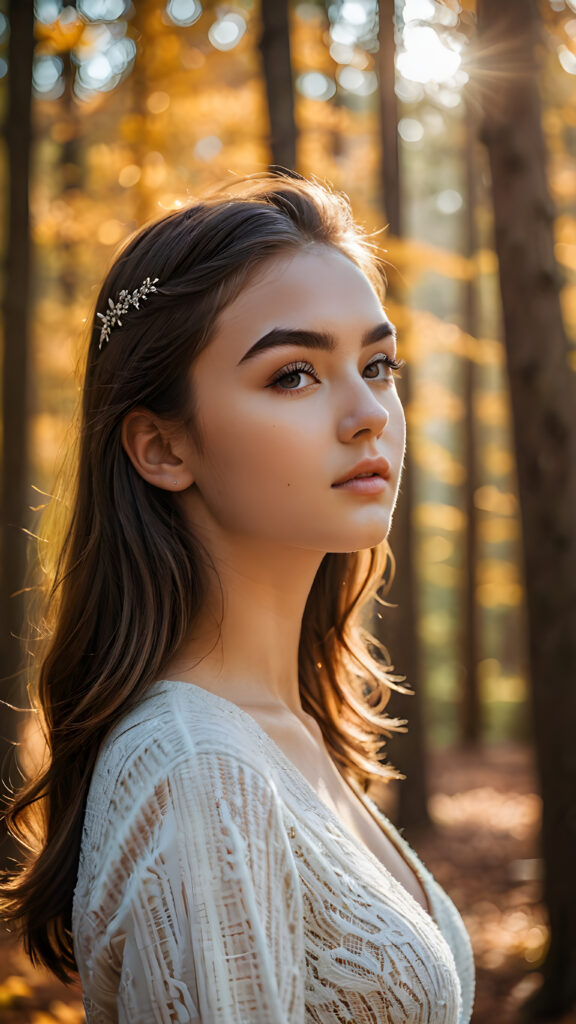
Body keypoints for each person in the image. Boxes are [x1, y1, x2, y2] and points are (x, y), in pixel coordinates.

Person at [0, 172, 475, 1023]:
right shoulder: (198, 770)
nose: (369, 413)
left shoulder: (287, 731)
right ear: (162, 448)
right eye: (294, 375)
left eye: (378, 365)